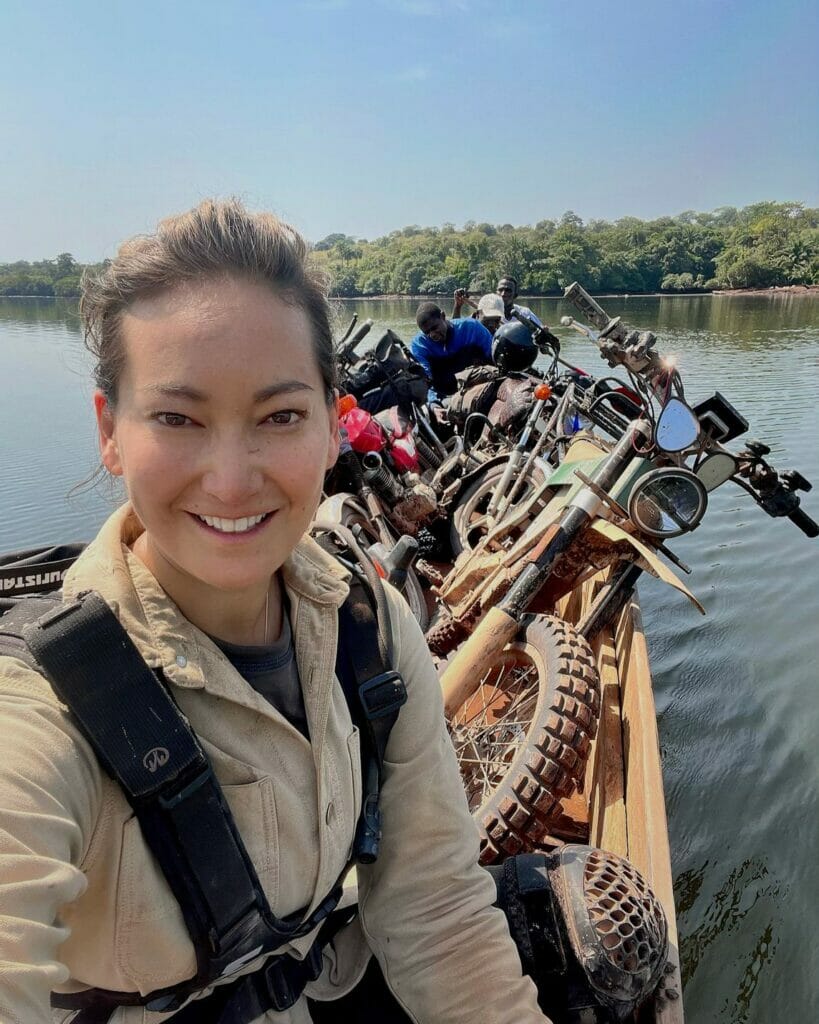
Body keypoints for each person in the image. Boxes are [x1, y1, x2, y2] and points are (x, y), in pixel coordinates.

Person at [0, 200, 548, 1024]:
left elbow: (435, 909)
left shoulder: (365, 620)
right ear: (111, 430)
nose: (229, 480)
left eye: (279, 416)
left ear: (334, 425)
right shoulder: (42, 706)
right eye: (178, 418)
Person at [410, 301, 493, 404]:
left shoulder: (472, 328)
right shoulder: (419, 345)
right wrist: (433, 404)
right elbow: (424, 380)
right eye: (427, 332)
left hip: (475, 389)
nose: (433, 335)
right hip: (442, 396)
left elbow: (493, 358)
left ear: (443, 316)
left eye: (434, 328)